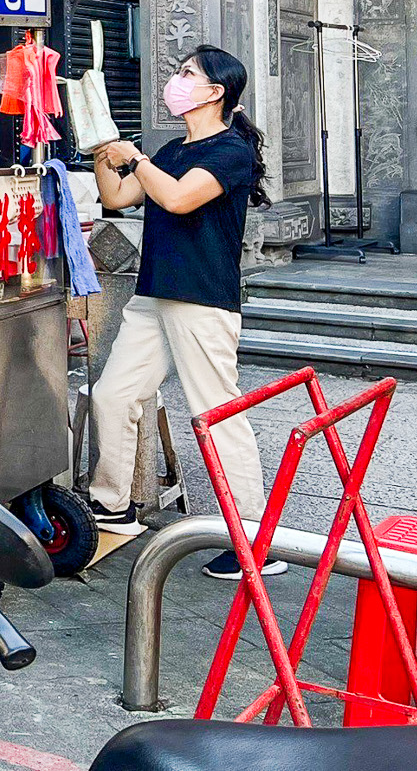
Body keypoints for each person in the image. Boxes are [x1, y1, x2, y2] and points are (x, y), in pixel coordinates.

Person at [87, 45, 283, 580]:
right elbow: (121, 197)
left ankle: (253, 537)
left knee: (216, 414)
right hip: (154, 294)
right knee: (114, 394)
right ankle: (113, 502)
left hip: (201, 297)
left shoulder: (229, 153)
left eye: (186, 74)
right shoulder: (173, 149)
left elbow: (175, 200)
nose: (176, 80)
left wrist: (137, 159)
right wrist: (104, 155)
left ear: (215, 92)